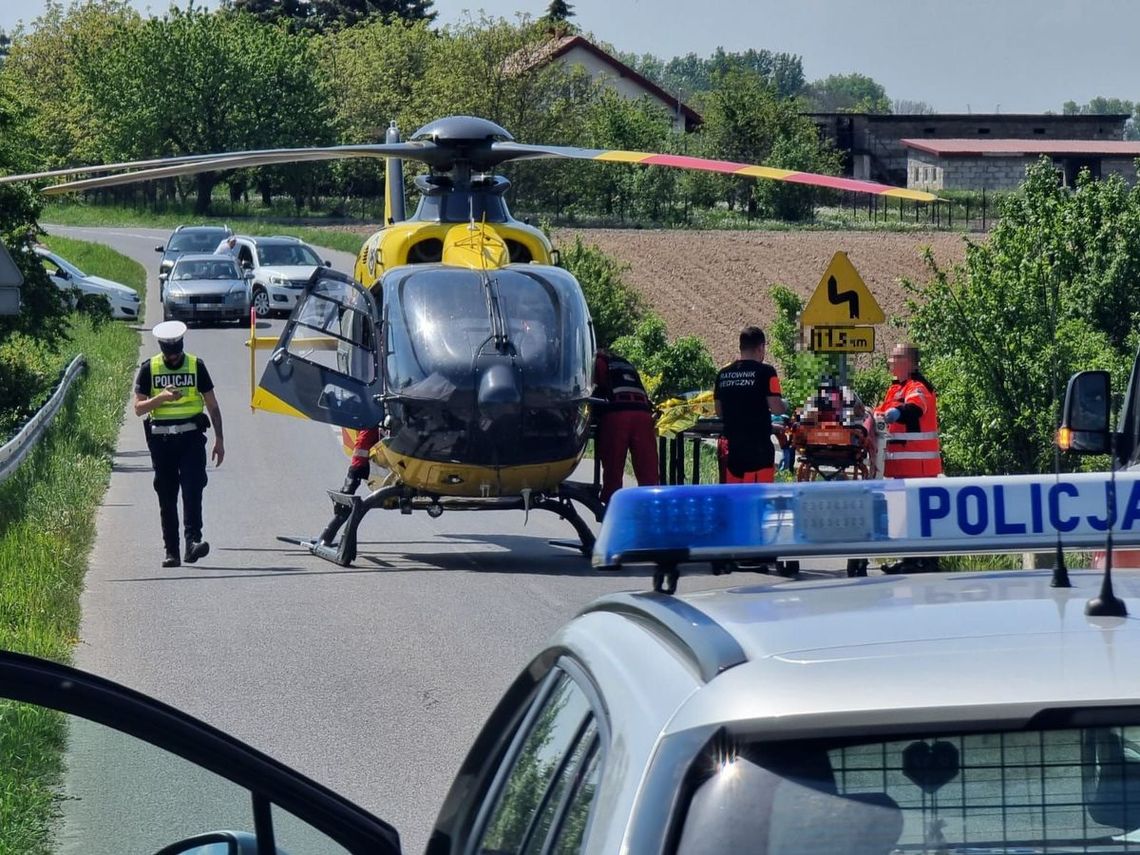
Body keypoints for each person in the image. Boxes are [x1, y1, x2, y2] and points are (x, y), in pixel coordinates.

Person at [133, 320, 225, 567]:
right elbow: (139, 409)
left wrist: (220, 439)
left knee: (193, 490)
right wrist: (161, 398)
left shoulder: (196, 366)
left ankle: (192, 543)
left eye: (176, 353)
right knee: (167, 494)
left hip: (191, 439)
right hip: (162, 442)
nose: (173, 358)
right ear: (162, 349)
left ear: (181, 347)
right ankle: (171, 551)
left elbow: (213, 406)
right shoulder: (149, 368)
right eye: (168, 354)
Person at [873, 342, 942, 574]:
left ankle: (924, 560)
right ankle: (910, 559)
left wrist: (898, 413)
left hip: (918, 466)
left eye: (895, 357)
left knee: (917, 516)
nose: (890, 361)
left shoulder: (917, 386)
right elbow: (882, 415)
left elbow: (915, 408)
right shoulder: (895, 389)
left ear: (909, 362)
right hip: (901, 466)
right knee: (904, 516)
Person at [714, 326, 787, 483]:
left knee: (736, 502)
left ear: (741, 347)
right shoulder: (767, 372)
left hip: (734, 454)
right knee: (760, 502)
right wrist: (785, 406)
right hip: (759, 454)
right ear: (761, 347)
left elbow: (719, 411)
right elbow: (776, 408)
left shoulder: (723, 374)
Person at [593, 347, 658, 505]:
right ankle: (652, 504)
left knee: (613, 467)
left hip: (617, 414)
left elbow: (593, 388)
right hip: (643, 414)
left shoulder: (598, 361)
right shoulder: (625, 363)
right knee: (648, 468)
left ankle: (613, 506)